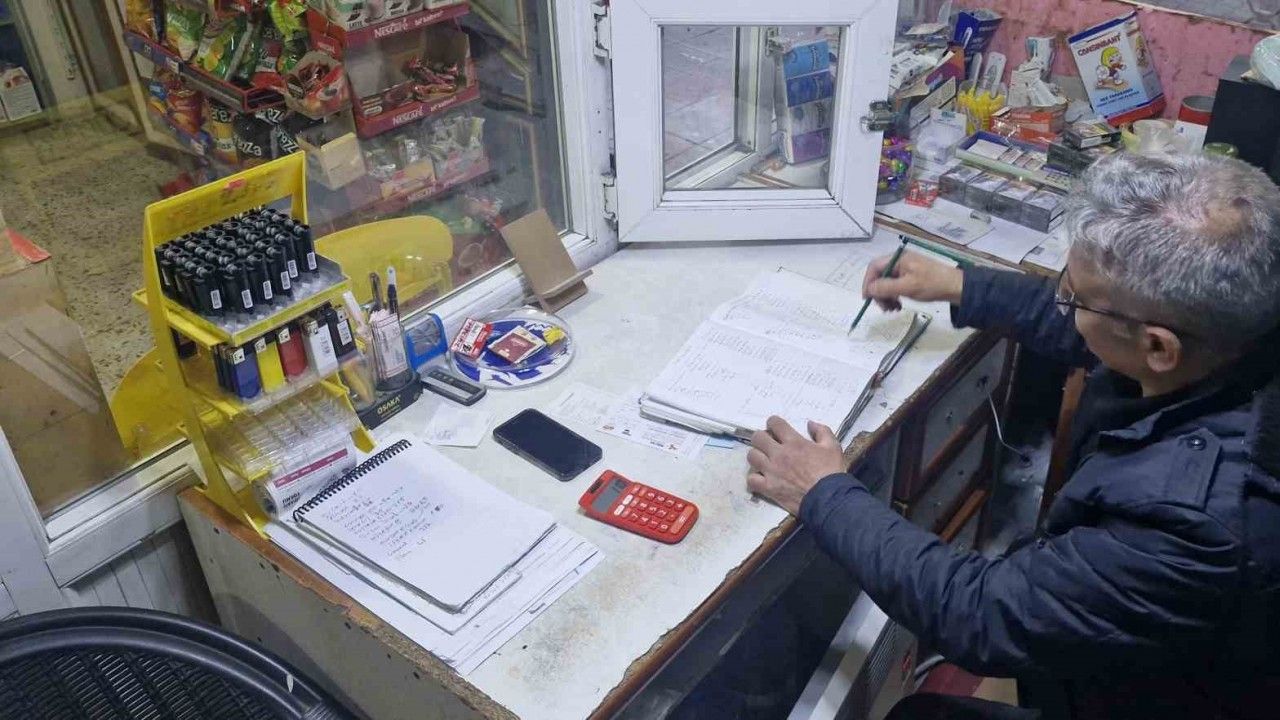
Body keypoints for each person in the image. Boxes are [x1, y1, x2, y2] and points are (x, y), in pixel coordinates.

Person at [745, 152, 1280, 720]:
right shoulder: (1230, 335)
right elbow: (1096, 332)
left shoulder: (1196, 526)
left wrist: (823, 492)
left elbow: (980, 612)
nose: (1063, 304)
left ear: (1158, 347)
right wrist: (961, 285)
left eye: (1073, 294)